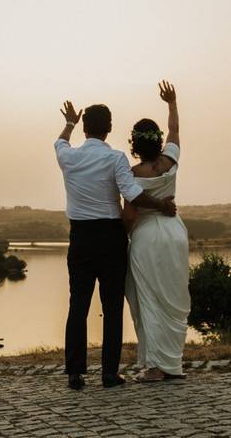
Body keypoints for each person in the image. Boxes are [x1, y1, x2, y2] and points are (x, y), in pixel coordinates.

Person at [55, 101, 178, 390]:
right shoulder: (116, 159)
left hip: (81, 237)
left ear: (85, 128)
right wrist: (162, 205)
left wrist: (70, 122)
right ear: (109, 129)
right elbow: (133, 195)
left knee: (78, 304)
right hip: (111, 237)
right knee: (112, 307)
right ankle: (109, 373)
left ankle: (75, 373)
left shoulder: (67, 157)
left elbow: (60, 141)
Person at [123, 80, 191, 382]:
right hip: (175, 233)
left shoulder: (130, 175)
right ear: (158, 140)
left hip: (147, 237)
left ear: (135, 145)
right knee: (173, 298)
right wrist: (172, 103)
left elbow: (130, 212)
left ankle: (155, 367)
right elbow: (175, 131)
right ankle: (173, 363)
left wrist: (123, 235)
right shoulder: (171, 162)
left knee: (149, 300)